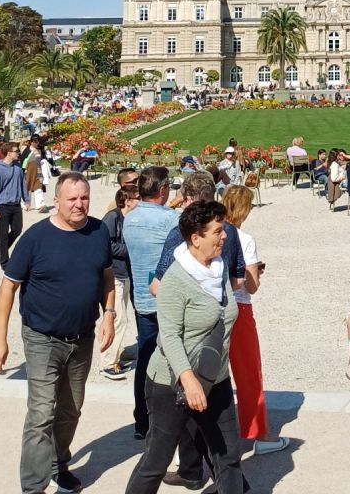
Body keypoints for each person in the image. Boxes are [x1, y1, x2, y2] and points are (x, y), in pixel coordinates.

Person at [0, 172, 117, 494]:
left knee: (71, 409)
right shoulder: (35, 238)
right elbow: (8, 287)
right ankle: (33, 486)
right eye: (72, 198)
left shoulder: (99, 230)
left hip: (82, 337)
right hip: (41, 337)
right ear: (56, 200)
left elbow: (107, 275)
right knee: (42, 412)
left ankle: (59, 462)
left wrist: (110, 314)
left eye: (84, 197)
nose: (79, 204)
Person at [123, 200, 242, 494]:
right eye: (218, 231)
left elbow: (225, 318)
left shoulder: (219, 268)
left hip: (216, 378)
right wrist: (188, 381)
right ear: (196, 238)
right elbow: (170, 336)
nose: (224, 235)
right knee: (156, 461)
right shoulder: (176, 279)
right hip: (171, 383)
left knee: (228, 456)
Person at [220, 184, 288, 456]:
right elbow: (251, 286)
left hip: (212, 306)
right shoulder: (243, 238)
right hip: (239, 308)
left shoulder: (211, 231)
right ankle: (259, 432)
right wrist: (256, 271)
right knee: (249, 373)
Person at [123, 167, 180, 442]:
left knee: (145, 357)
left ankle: (141, 420)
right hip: (167, 297)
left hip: (143, 297)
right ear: (162, 190)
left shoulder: (130, 219)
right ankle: (167, 418)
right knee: (173, 359)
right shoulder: (171, 219)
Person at [98, 181, 138, 381]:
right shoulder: (112, 218)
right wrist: (131, 250)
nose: (140, 201)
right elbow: (106, 245)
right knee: (117, 319)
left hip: (124, 274)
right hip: (114, 275)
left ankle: (113, 357)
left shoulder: (128, 218)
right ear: (128, 201)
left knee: (122, 318)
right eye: (137, 198)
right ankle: (107, 363)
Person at [0, 142, 29, 264]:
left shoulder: (18, 167)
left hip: (16, 205)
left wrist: (26, 200)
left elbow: (23, 185)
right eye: (15, 151)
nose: (18, 153)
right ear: (8, 153)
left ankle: (0, 249)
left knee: (17, 230)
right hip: (3, 206)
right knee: (3, 235)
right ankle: (4, 260)